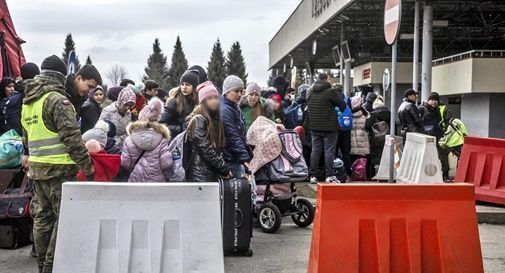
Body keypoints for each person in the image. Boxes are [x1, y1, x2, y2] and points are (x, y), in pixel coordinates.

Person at [21, 55, 94, 273]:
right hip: (59, 172)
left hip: (37, 171)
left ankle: (42, 265)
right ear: (62, 77)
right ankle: (52, 268)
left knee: (42, 221)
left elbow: (27, 139)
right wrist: (88, 168)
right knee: (63, 221)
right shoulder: (57, 100)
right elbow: (72, 138)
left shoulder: (29, 102)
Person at [186, 81, 232, 182]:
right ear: (203, 101)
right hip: (200, 175)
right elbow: (205, 150)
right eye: (209, 99)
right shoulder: (199, 120)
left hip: (209, 173)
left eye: (216, 98)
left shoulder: (214, 119)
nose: (214, 101)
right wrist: (224, 169)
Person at [307, 73, 347, 183]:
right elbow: (343, 105)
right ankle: (329, 176)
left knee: (315, 151)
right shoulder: (331, 91)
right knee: (329, 151)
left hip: (314, 126)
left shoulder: (310, 91)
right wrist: (336, 109)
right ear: (327, 79)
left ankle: (313, 176)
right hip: (329, 127)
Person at [121, 97, 172, 182]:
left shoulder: (129, 140)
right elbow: (166, 164)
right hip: (157, 182)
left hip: (135, 179)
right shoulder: (162, 139)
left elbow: (125, 163)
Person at [220, 75, 251, 178]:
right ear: (227, 91)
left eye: (241, 91)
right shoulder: (225, 110)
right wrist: (245, 158)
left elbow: (240, 135)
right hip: (230, 159)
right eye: (236, 91)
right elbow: (232, 136)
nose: (239, 94)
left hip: (235, 157)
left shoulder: (234, 107)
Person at [419, 92, 450, 180]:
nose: (434, 102)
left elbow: (445, 121)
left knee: (443, 155)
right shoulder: (421, 109)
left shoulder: (440, 110)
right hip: (426, 137)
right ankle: (426, 176)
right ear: (428, 100)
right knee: (426, 157)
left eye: (436, 100)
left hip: (439, 136)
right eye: (432, 100)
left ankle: (445, 175)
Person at [159, 70, 199, 137]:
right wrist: (180, 129)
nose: (184, 87)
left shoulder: (199, 101)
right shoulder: (175, 102)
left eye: (187, 85)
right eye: (182, 84)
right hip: (178, 141)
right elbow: (161, 124)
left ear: (194, 86)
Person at [365, 96, 391, 177]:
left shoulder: (372, 115)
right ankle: (387, 172)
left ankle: (377, 172)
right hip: (387, 137)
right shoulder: (389, 114)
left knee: (376, 154)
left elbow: (367, 126)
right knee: (387, 154)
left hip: (375, 138)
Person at [350, 96, 370, 163]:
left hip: (351, 138)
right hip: (363, 138)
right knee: (363, 160)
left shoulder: (348, 113)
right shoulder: (365, 114)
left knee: (352, 159)